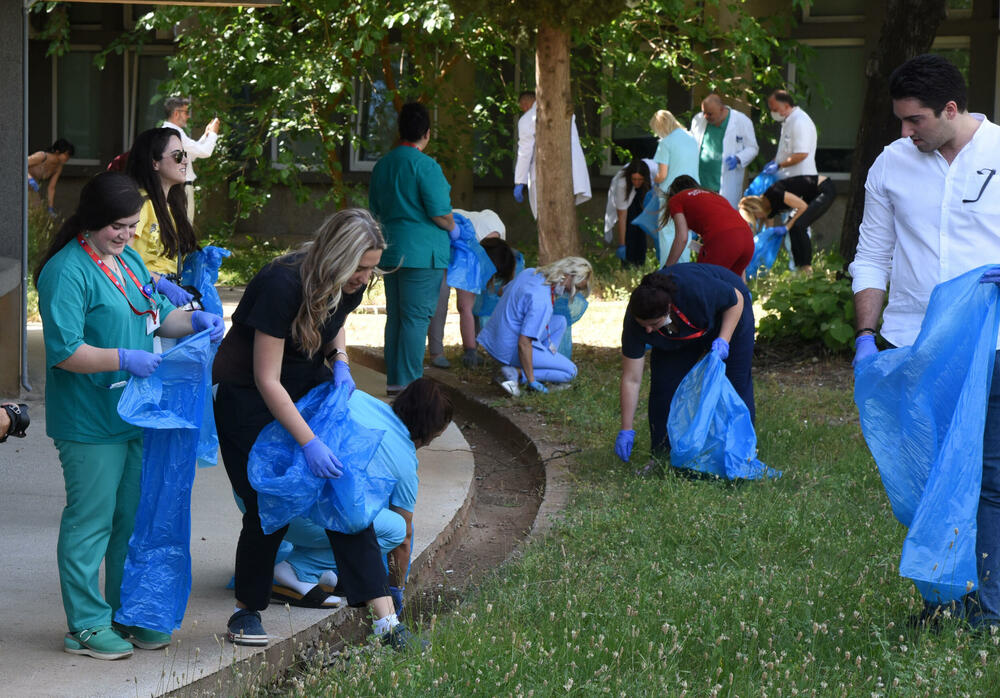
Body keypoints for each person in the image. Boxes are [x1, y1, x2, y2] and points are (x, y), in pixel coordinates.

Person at [34, 171, 223, 661]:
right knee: (90, 522)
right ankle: (85, 625)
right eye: (117, 226)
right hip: (89, 421)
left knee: (132, 520)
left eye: (132, 225)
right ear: (93, 220)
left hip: (135, 415)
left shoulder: (129, 260)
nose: (127, 234)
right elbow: (65, 351)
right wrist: (122, 357)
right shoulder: (66, 271)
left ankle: (128, 610)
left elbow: (157, 317)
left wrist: (194, 321)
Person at [212, 208, 420, 650]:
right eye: (360, 268)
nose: (365, 278)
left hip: (306, 391)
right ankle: (246, 612)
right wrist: (308, 443)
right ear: (336, 258)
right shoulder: (281, 284)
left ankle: (386, 625)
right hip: (249, 401)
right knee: (267, 503)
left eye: (371, 268)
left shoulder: (350, 284)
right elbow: (266, 379)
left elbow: (334, 324)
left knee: (345, 494)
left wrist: (340, 361)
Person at [850, 54, 1000, 627]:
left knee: (988, 477)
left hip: (991, 347)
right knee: (929, 475)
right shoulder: (892, 163)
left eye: (915, 120)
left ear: (951, 109)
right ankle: (944, 599)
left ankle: (989, 608)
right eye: (901, 120)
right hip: (913, 344)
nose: (905, 131)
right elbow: (872, 253)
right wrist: (866, 335)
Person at [268, 379, 453, 616]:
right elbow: (404, 540)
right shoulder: (405, 463)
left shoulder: (359, 397)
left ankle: (283, 559)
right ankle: (298, 569)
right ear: (427, 435)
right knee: (394, 528)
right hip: (296, 514)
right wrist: (394, 590)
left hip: (261, 494)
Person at [615, 265, 755, 470]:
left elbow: (736, 299)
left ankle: (739, 455)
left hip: (730, 313)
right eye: (643, 324)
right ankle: (661, 456)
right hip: (678, 330)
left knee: (736, 382)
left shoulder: (694, 290)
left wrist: (723, 340)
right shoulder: (637, 321)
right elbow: (631, 379)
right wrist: (626, 429)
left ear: (669, 308)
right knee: (664, 386)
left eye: (653, 324)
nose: (648, 330)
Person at [369, 102, 455, 395]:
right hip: (423, 255)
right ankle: (409, 386)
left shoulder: (383, 165)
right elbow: (441, 214)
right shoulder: (426, 166)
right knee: (415, 319)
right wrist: (454, 226)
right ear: (427, 133)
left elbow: (375, 209)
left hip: (390, 250)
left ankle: (395, 381)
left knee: (395, 317)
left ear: (400, 130)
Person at [477, 256, 593, 396]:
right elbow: (523, 344)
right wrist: (531, 380)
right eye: (576, 287)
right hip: (507, 350)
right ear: (568, 276)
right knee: (571, 371)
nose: (574, 293)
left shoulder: (530, 272)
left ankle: (541, 364)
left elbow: (501, 291)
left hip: (494, 338)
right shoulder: (542, 301)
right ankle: (515, 373)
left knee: (560, 321)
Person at [427, 210, 516, 368]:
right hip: (439, 243)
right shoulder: (472, 247)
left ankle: (472, 346)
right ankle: (436, 353)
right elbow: (464, 307)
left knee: (475, 298)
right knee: (441, 296)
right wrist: (470, 350)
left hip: (459, 240)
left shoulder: (499, 233)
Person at [125, 128, 198, 309]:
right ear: (155, 163)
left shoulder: (172, 206)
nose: (185, 161)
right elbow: (121, 260)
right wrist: (160, 283)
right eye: (177, 155)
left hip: (165, 297)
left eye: (185, 155)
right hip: (144, 296)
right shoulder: (141, 204)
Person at [513, 90, 592, 218]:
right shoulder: (563, 110)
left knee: (549, 215)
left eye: (522, 107)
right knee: (565, 214)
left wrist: (519, 181)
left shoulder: (527, 119)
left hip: (547, 175)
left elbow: (524, 152)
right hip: (572, 171)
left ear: (525, 104)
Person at [738, 174, 837, 275]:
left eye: (755, 216)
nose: (758, 219)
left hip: (823, 188)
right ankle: (799, 268)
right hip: (811, 195)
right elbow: (768, 230)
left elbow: (802, 206)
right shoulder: (768, 208)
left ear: (756, 208)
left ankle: (807, 268)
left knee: (799, 225)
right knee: (793, 228)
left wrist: (787, 226)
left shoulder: (774, 193)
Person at [664, 175, 754, 277]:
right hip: (747, 238)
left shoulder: (676, 199)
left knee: (702, 281)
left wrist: (667, 268)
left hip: (724, 239)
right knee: (733, 284)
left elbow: (682, 238)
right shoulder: (714, 195)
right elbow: (734, 238)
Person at [689, 94, 759, 208]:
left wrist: (738, 158)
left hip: (725, 184)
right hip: (700, 183)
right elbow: (691, 144)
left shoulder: (742, 121)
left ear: (722, 109)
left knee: (722, 214)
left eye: (710, 114)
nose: (706, 116)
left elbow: (753, 148)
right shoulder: (698, 119)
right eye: (704, 112)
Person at [161, 96, 220, 221]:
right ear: (176, 113)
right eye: (186, 112)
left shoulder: (167, 130)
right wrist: (214, 133)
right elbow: (205, 152)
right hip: (181, 188)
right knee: (185, 226)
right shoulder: (175, 132)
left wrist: (206, 135)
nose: (188, 116)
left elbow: (191, 156)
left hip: (173, 187)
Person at [604, 158, 655, 268]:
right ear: (630, 177)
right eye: (634, 179)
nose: (636, 182)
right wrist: (622, 245)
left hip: (646, 187)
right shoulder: (622, 183)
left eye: (640, 179)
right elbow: (622, 216)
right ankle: (627, 263)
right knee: (630, 222)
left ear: (645, 178)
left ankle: (640, 263)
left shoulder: (655, 173)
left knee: (641, 226)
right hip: (627, 189)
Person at [763, 89, 817, 179]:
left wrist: (778, 166)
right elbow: (786, 150)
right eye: (771, 110)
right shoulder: (789, 121)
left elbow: (802, 154)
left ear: (786, 106)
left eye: (775, 110)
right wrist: (775, 161)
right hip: (790, 178)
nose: (773, 113)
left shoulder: (800, 121)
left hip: (801, 177)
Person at [27, 138, 75, 216]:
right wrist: (30, 179)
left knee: (38, 213)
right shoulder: (42, 156)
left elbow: (51, 188)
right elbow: (21, 164)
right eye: (66, 154)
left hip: (31, 189)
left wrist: (50, 207)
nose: (67, 158)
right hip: (20, 182)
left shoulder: (58, 167)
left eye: (69, 156)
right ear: (57, 151)